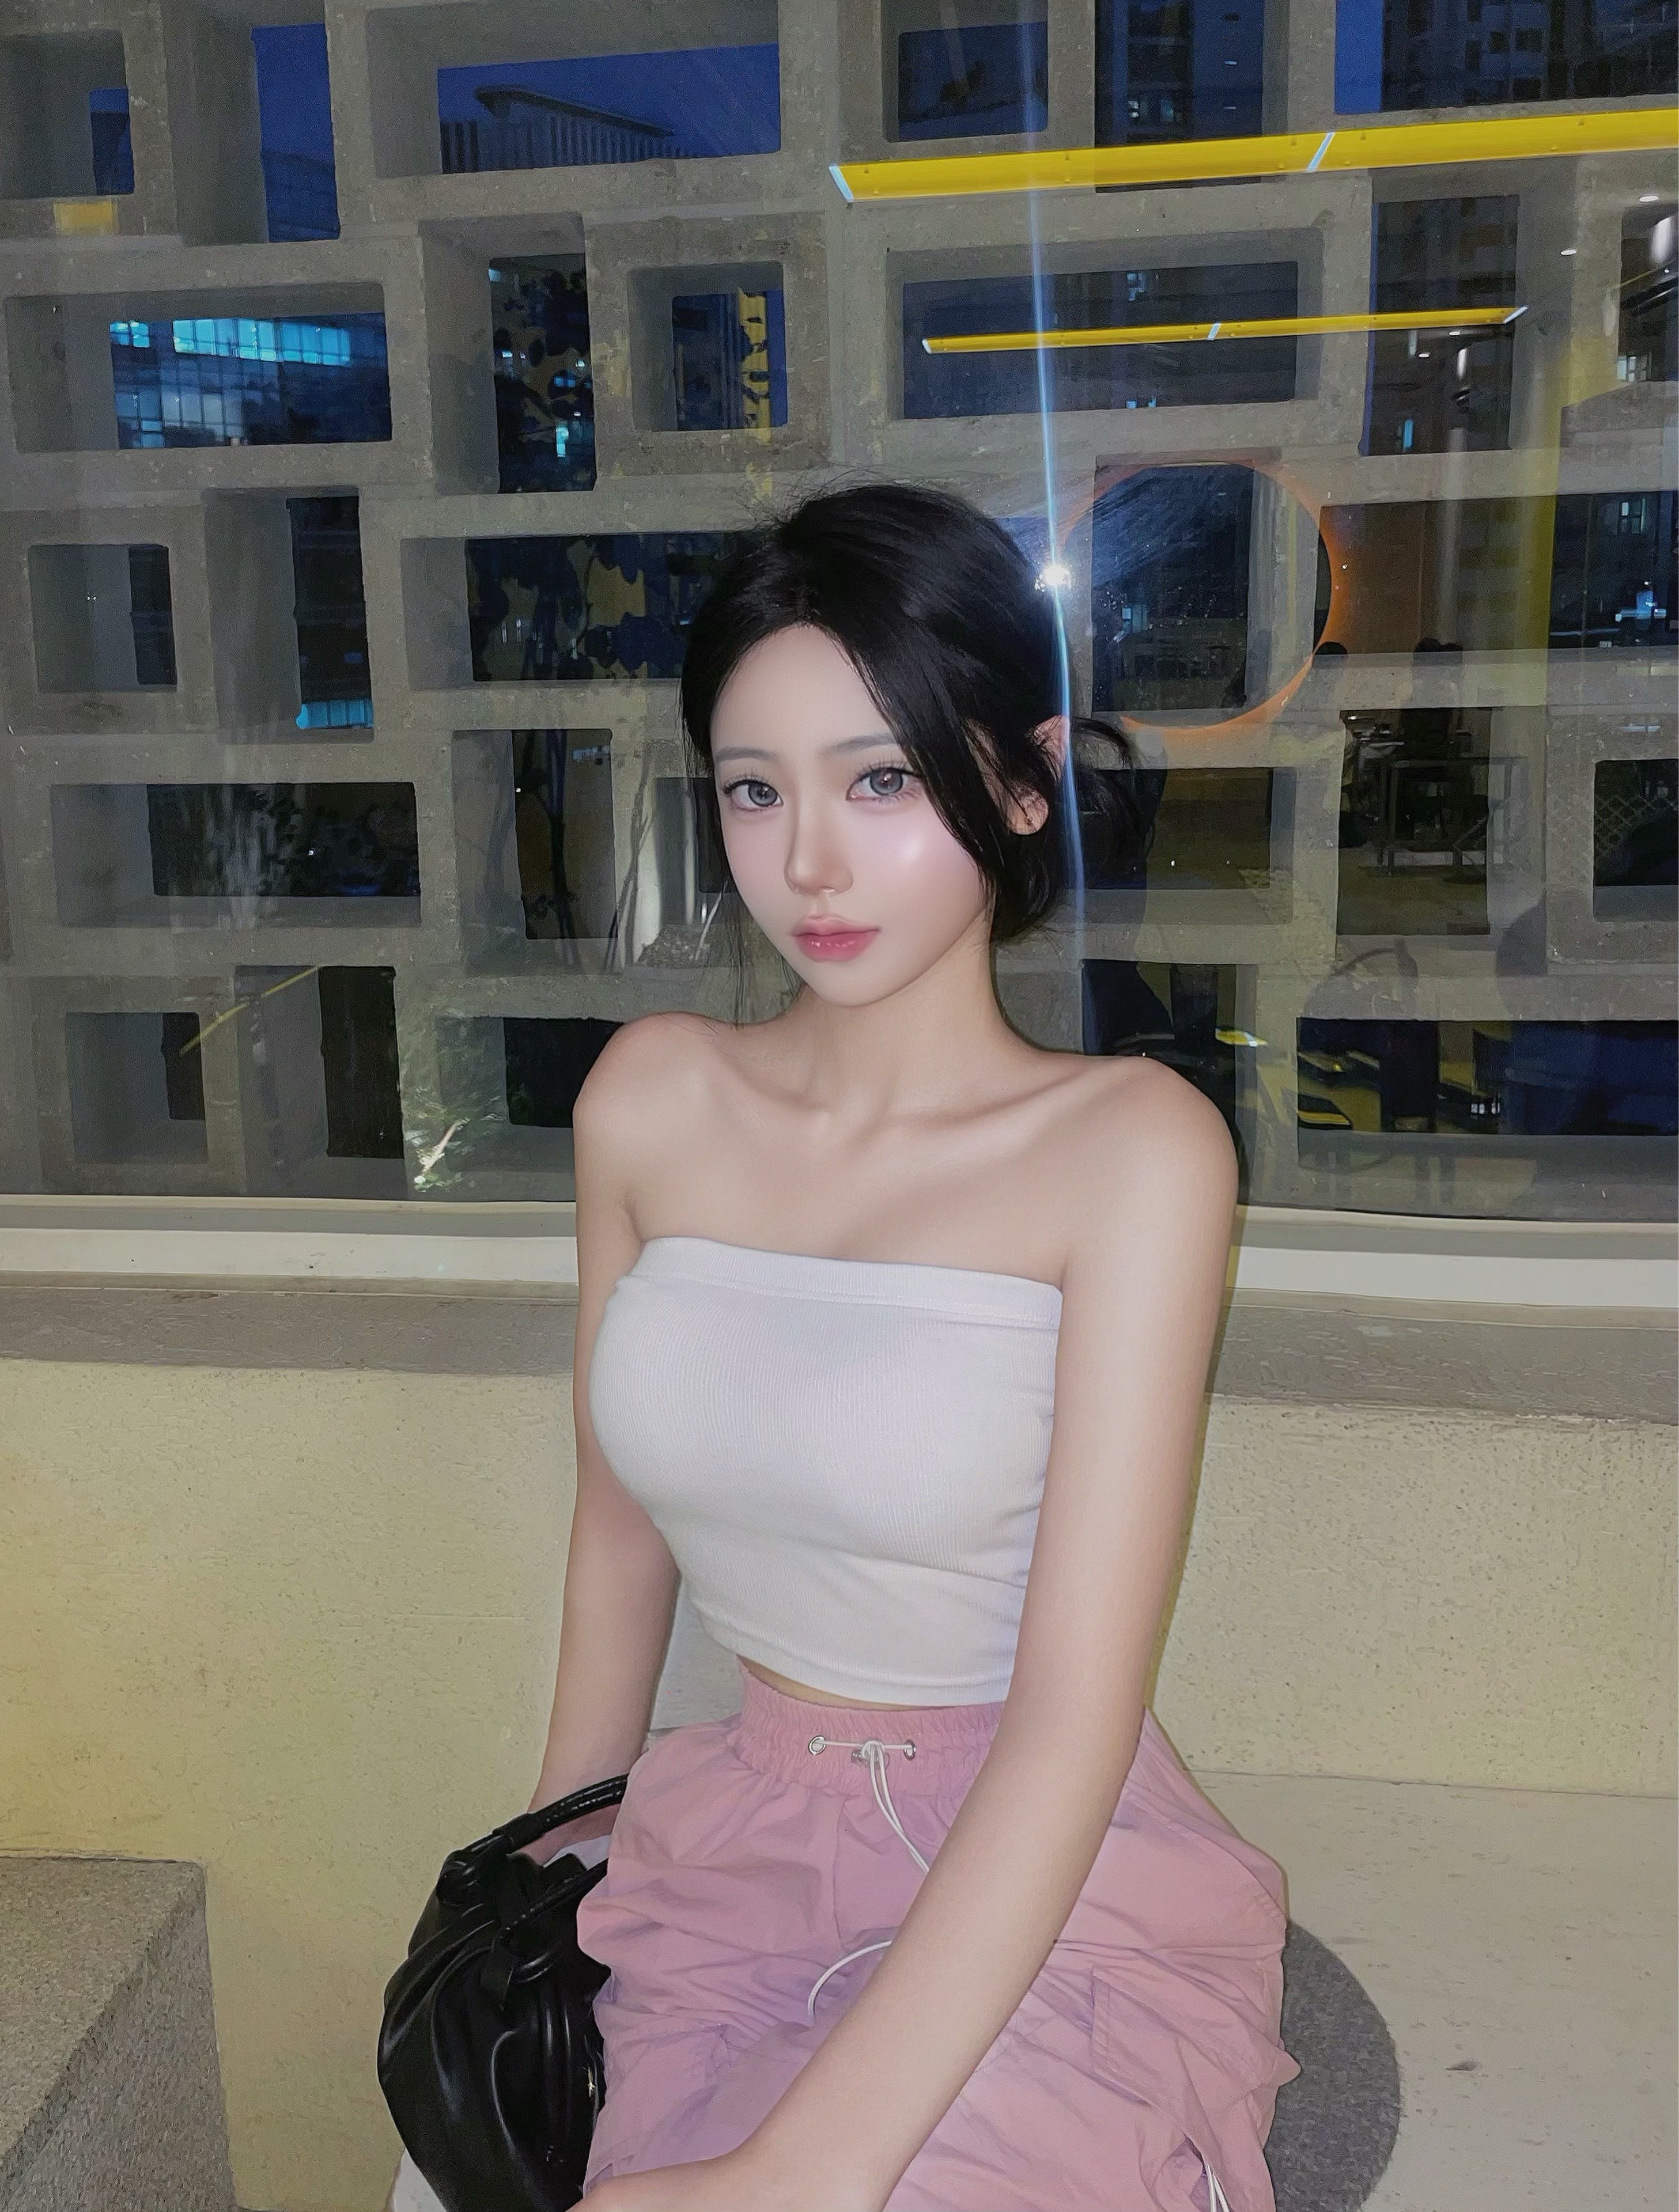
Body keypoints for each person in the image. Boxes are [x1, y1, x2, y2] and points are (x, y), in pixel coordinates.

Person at [508, 482, 1295, 2211]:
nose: (808, 863)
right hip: (729, 1854)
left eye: (879, 782)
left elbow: (1074, 1714)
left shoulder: (1131, 1152)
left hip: (1039, 1871)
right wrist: (539, 1889)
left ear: (1020, 783)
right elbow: (618, 1541)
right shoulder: (650, 1099)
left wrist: (807, 2169)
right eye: (754, 789)